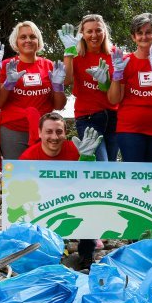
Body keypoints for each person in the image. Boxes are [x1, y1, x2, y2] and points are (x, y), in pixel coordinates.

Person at [18, 112, 103, 269]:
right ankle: (46, 253)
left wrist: (88, 160)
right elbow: (21, 194)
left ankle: (86, 255)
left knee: (91, 205)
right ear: (39, 133)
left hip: (74, 201)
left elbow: (92, 183)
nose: (54, 137)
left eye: (59, 132)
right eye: (49, 132)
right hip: (44, 205)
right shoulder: (28, 157)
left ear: (65, 133)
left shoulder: (76, 149)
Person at [0, 21, 66, 167]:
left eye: (32, 36)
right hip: (13, 129)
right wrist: (9, 83)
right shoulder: (6, 65)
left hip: (45, 131)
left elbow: (59, 106)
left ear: (38, 41)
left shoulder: (49, 65)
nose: (28, 40)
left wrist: (58, 86)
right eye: (23, 37)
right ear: (16, 42)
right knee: (17, 175)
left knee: (45, 173)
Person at [108, 12, 152, 162]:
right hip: (129, 129)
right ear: (133, 37)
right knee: (135, 176)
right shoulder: (124, 61)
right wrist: (117, 75)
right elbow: (114, 99)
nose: (144, 37)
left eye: (148, 32)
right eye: (139, 33)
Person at [58, 14, 119, 162]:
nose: (94, 35)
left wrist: (106, 82)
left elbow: (118, 88)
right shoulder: (76, 56)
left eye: (98, 30)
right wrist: (68, 53)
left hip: (114, 117)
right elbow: (66, 81)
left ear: (104, 32)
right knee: (101, 162)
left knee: (110, 165)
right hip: (88, 118)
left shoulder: (115, 54)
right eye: (89, 31)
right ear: (82, 34)